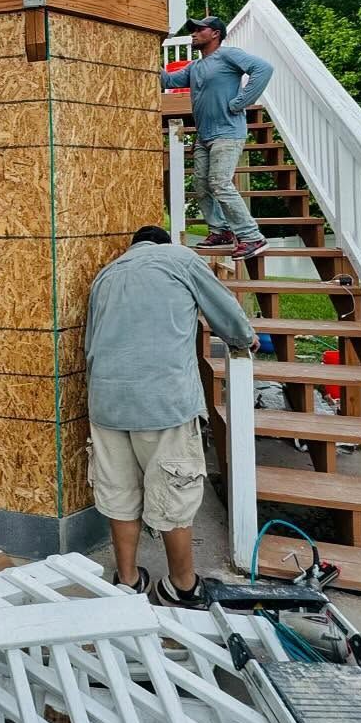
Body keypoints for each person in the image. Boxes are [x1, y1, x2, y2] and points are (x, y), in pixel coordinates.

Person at [84, 225, 258, 607]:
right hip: (162, 403)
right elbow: (225, 310)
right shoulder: (180, 259)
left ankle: (128, 581)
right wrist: (244, 339)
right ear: (165, 243)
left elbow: (90, 345)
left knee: (119, 494)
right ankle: (181, 585)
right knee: (173, 493)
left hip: (107, 403)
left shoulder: (107, 274)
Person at [160, 15, 274, 260]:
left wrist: (242, 102)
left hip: (228, 132)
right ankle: (219, 231)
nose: (193, 34)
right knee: (201, 186)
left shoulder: (228, 55)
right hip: (204, 136)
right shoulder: (195, 67)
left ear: (215, 34)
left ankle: (252, 236)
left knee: (220, 183)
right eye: (192, 30)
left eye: (199, 29)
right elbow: (168, 80)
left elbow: (264, 69)